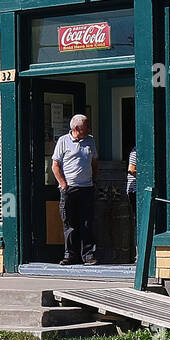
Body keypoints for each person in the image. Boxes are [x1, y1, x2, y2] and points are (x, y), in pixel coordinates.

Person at [52, 113, 99, 265]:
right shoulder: (63, 141)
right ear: (77, 128)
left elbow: (94, 162)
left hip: (86, 187)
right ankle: (70, 255)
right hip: (70, 188)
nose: (89, 129)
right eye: (86, 126)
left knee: (87, 222)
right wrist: (63, 185)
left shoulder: (90, 140)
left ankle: (88, 255)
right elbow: (55, 165)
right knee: (69, 223)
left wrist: (94, 180)